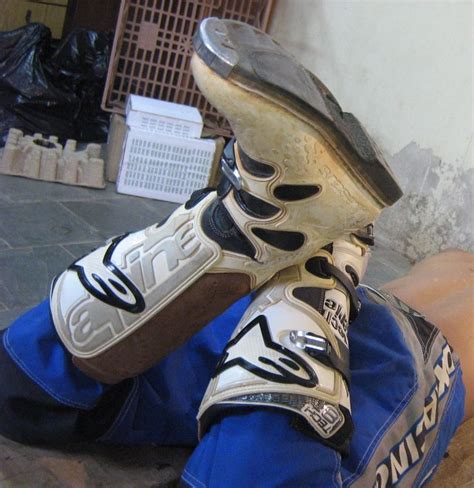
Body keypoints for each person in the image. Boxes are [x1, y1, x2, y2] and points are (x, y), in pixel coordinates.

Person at [0, 18, 470, 487]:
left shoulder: (452, 260)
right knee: (267, 447)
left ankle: (294, 253)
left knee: (21, 389)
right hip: (403, 351)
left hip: (328, 309)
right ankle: (305, 300)